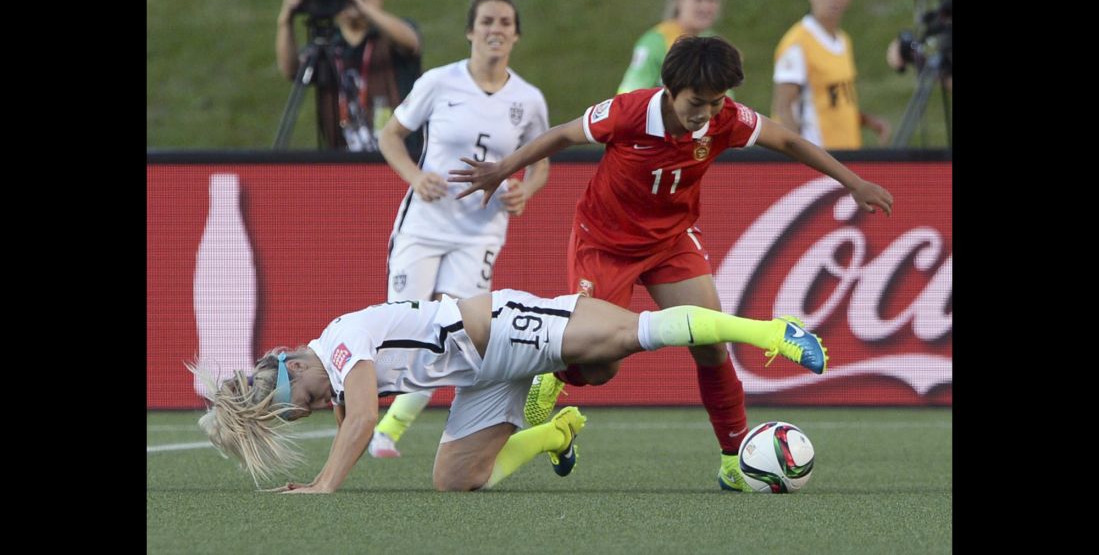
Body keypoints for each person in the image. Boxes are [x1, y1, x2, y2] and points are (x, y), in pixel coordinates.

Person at [449, 35, 892, 492]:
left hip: (671, 241)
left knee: (712, 345)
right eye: (697, 102)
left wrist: (852, 181)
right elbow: (562, 134)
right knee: (601, 367)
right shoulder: (629, 113)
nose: (707, 112)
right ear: (670, 89)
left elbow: (787, 139)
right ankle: (555, 372)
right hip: (604, 244)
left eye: (717, 101)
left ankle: (732, 460)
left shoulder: (724, 119)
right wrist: (504, 168)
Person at [189, 288, 828, 492]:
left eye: (289, 403)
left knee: (635, 336)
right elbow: (347, 415)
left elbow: (360, 421)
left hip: (504, 327)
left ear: (290, 368)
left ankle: (771, 330)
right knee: (457, 480)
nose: (301, 409)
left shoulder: (337, 345)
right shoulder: (328, 366)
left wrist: (325, 487)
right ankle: (554, 431)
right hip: (481, 373)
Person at [368, 0, 551, 458]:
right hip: (425, 224)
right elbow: (390, 135)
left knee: (454, 328)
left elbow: (541, 163)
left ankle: (390, 428)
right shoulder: (439, 82)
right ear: (471, 31)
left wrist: (523, 192)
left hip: (480, 232)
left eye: (506, 22)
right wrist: (415, 176)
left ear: (516, 35)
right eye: (487, 21)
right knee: (404, 322)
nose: (496, 29)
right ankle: (362, 411)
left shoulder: (528, 100)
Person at [276, 0, 422, 151]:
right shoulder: (326, 43)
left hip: (401, 159)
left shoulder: (389, 36)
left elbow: (410, 41)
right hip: (344, 163)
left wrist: (361, 6)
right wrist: (285, 19)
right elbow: (291, 70)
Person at [771, 0, 890, 149]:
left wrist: (867, 121)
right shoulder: (797, 43)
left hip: (845, 155)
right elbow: (784, 107)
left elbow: (834, 98)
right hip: (819, 158)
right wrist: (799, 156)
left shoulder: (843, 40)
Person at [617, 0, 722, 94]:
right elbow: (628, 95)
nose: (706, 7)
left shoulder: (714, 42)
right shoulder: (655, 43)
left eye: (712, 0)